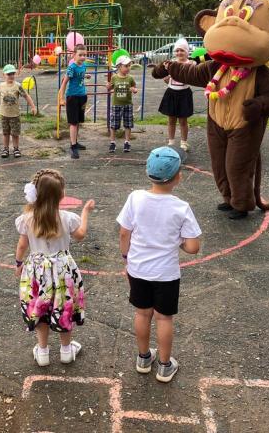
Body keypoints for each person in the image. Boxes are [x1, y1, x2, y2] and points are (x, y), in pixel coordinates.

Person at [117, 147, 202, 383]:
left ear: (147, 173)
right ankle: (164, 365)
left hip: (138, 268)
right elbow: (193, 246)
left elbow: (125, 233)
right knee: (164, 318)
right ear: (178, 177)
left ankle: (143, 358)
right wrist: (179, 244)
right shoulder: (181, 207)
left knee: (142, 313)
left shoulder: (135, 198)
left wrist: (126, 258)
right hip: (166, 273)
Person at [14, 169, 94, 366]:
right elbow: (81, 234)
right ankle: (66, 351)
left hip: (37, 269)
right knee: (63, 306)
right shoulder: (67, 218)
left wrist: (18, 263)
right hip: (62, 270)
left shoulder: (27, 219)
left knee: (40, 308)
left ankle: (42, 352)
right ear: (61, 195)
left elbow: (22, 245)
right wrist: (85, 212)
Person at [0, 64, 37, 158]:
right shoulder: (1, 85)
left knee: (15, 133)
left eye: (13, 74)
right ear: (4, 75)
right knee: (5, 133)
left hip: (15, 114)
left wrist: (33, 107)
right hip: (4, 114)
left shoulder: (17, 85)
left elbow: (26, 96)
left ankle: (16, 149)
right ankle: (5, 149)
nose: (11, 76)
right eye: (9, 74)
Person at [158, 38, 194, 151]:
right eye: (177, 50)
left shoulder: (191, 64)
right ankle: (171, 142)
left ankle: (184, 142)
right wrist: (166, 78)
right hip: (171, 93)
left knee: (183, 120)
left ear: (187, 52)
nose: (179, 53)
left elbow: (193, 78)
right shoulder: (171, 64)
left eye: (182, 50)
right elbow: (166, 79)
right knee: (171, 119)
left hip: (184, 94)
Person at [58, 44, 88, 159]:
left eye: (84, 55)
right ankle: (73, 146)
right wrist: (61, 98)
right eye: (80, 55)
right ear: (74, 55)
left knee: (78, 121)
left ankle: (75, 141)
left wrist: (86, 76)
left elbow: (80, 77)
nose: (82, 57)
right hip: (72, 97)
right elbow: (64, 83)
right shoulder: (72, 67)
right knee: (73, 122)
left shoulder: (83, 66)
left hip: (82, 96)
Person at [106, 55, 138, 154]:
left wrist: (134, 90)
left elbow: (134, 88)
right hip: (116, 104)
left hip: (128, 104)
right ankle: (112, 142)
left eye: (129, 66)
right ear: (119, 66)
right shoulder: (114, 78)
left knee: (128, 124)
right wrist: (108, 86)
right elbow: (110, 88)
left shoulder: (130, 78)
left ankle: (127, 142)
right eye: (126, 66)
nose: (128, 68)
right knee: (114, 124)